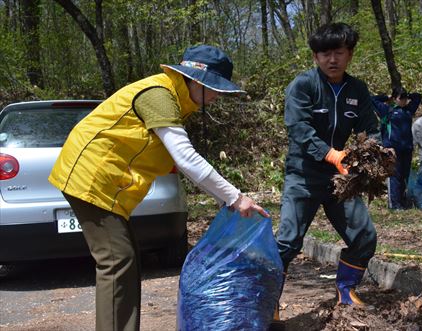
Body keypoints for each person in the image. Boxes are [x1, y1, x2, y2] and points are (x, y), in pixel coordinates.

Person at [48, 45, 269, 331]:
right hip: (91, 178)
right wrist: (235, 198)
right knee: (117, 262)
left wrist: (224, 199)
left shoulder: (174, 100)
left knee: (124, 262)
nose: (216, 97)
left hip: (106, 185)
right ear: (195, 81)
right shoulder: (159, 95)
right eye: (214, 89)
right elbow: (186, 158)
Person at [271, 22, 382, 329]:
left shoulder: (357, 89)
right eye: (324, 54)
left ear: (349, 54)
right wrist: (331, 154)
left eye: (338, 52)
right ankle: (268, 304)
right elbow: (299, 128)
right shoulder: (303, 85)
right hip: (303, 175)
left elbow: (368, 128)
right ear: (315, 57)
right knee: (288, 241)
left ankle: (346, 290)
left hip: (341, 179)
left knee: (364, 237)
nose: (331, 59)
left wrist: (374, 152)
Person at [371, 87, 422, 210]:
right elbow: (371, 99)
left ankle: (403, 202)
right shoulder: (387, 110)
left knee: (404, 176)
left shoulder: (408, 110)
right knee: (394, 177)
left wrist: (407, 94)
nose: (403, 101)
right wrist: (387, 97)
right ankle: (394, 204)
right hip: (392, 150)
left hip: (407, 149)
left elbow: (418, 97)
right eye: (401, 98)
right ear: (395, 99)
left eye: (405, 98)